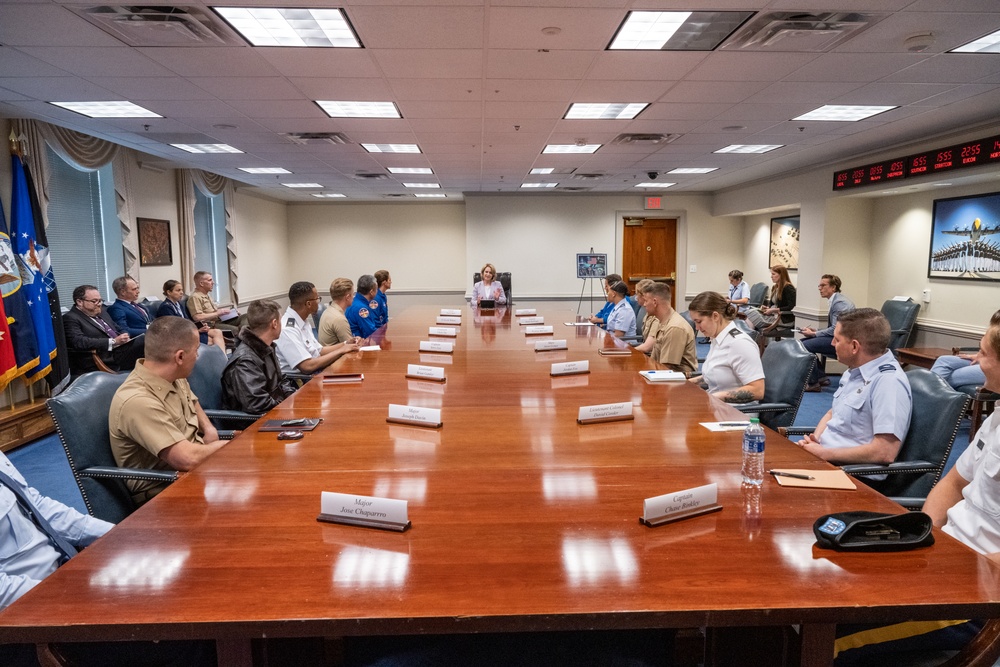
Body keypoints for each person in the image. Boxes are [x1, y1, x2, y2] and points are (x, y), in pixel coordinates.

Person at [835, 309, 1000, 665]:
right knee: (829, 591)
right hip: (944, 556)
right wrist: (927, 535)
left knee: (826, 638)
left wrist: (958, 565)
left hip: (975, 595)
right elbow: (954, 482)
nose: (975, 360)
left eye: (984, 353)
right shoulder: (998, 414)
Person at [109, 317, 228, 506]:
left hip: (195, 473)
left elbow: (192, 401)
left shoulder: (173, 375)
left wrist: (209, 429)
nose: (197, 357)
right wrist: (232, 448)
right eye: (196, 351)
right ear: (179, 357)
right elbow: (186, 459)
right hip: (165, 494)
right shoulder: (139, 401)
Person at [797, 308, 912, 466]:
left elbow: (884, 452)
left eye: (837, 340)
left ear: (854, 347)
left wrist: (824, 453)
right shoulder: (855, 370)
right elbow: (833, 413)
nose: (832, 344)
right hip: (826, 460)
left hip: (851, 473)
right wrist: (816, 441)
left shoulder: (888, 383)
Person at [688, 291, 765, 403]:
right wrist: (687, 383)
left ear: (715, 316)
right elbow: (717, 376)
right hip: (717, 407)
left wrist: (716, 397)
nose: (697, 327)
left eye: (699, 321)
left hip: (736, 413)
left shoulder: (740, 343)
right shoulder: (718, 339)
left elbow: (757, 390)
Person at [222, 300, 297, 414]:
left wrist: (294, 398)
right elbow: (257, 404)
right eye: (280, 321)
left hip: (276, 409)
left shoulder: (266, 346)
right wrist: (286, 407)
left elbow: (281, 380)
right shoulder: (245, 360)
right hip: (257, 422)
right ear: (274, 323)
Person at [275, 281, 359, 375]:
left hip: (316, 372)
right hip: (300, 382)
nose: (319, 302)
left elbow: (319, 351)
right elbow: (307, 366)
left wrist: (345, 344)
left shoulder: (303, 321)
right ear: (308, 304)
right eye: (317, 299)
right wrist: (341, 350)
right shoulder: (288, 329)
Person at [63, 284, 145, 375]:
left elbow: (118, 328)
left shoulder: (102, 312)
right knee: (145, 341)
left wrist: (125, 335)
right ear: (79, 302)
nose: (99, 304)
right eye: (94, 301)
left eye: (100, 301)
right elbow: (79, 341)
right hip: (104, 356)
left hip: (120, 350)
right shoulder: (70, 318)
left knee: (150, 341)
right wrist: (113, 342)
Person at [801, 274, 855, 391]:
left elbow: (837, 329)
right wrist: (816, 331)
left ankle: (813, 383)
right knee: (803, 343)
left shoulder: (840, 303)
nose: (819, 288)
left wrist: (814, 334)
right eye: (819, 285)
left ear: (833, 287)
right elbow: (834, 328)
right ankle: (820, 377)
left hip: (844, 341)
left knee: (803, 345)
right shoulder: (835, 300)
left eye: (823, 285)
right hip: (838, 337)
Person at [156, 279, 226, 354]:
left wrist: (199, 326)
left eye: (182, 290)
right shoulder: (166, 307)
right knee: (212, 341)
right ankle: (222, 361)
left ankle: (223, 360)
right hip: (181, 336)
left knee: (217, 332)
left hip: (188, 331)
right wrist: (196, 331)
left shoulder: (178, 304)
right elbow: (174, 328)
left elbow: (187, 321)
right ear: (169, 292)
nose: (181, 292)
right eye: (178, 290)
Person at [642, 281, 698, 375]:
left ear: (655, 302)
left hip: (677, 383)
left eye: (646, 301)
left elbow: (666, 369)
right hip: (660, 375)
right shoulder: (662, 322)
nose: (644, 304)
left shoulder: (674, 327)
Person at [745, 265, 796, 332]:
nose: (771, 276)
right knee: (749, 312)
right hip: (773, 315)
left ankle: (750, 335)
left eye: (773, 274)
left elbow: (791, 307)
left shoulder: (788, 288)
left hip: (783, 319)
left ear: (781, 275)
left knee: (752, 315)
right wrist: (767, 308)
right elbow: (772, 304)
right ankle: (750, 335)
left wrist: (773, 310)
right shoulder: (775, 287)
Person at [318, 277, 357, 346]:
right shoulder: (339, 318)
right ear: (347, 297)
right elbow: (350, 346)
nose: (353, 297)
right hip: (338, 356)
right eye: (352, 294)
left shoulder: (328, 310)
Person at [346, 274, 382, 338]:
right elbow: (371, 332)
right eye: (376, 289)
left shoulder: (355, 301)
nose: (377, 291)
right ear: (371, 292)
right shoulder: (361, 309)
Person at [631, 279, 659, 354]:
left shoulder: (657, 317)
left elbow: (647, 347)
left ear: (644, 296)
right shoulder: (647, 313)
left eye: (637, 295)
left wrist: (628, 351)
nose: (636, 298)